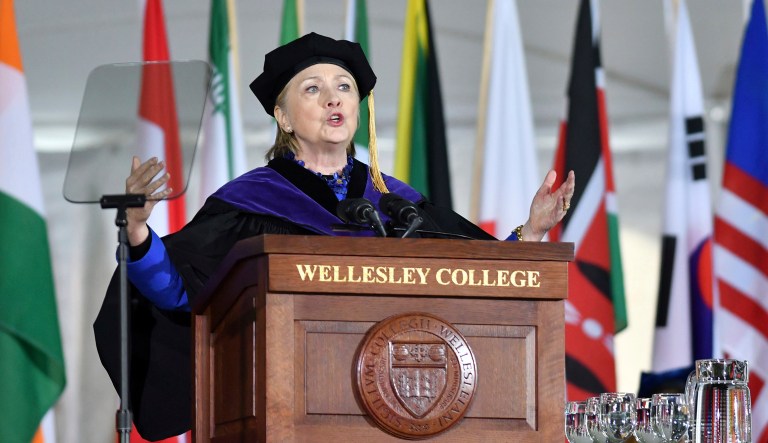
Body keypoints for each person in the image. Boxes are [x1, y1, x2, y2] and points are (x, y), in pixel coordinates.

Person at [94, 32, 575, 440]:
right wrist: (137, 230)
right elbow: (181, 294)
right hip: (294, 411)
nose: (334, 97)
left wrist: (530, 232)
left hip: (404, 411)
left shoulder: (397, 204)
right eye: (312, 88)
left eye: (344, 86)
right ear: (283, 117)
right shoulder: (248, 203)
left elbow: (472, 277)